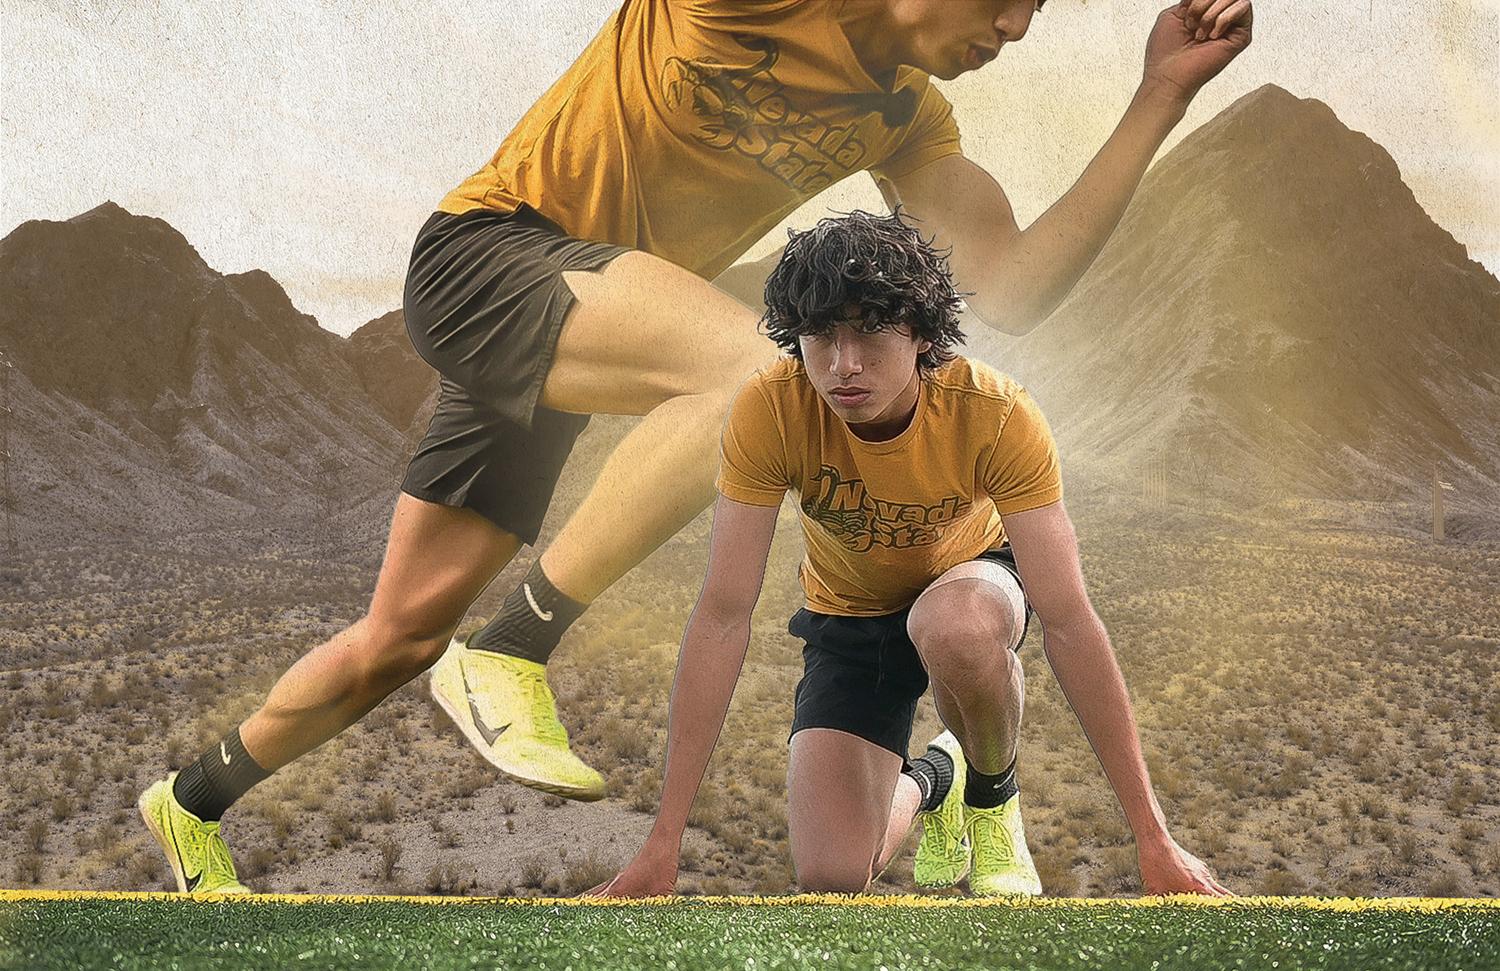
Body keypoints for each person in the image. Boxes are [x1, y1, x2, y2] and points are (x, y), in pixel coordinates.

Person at [138, 0, 1251, 894]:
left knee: (395, 634)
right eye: (1009, 0)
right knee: (752, 376)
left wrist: (1160, 94)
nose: (1015, 30)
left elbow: (1010, 285)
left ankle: (190, 801)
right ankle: (514, 648)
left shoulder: (905, 118)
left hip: (591, 320)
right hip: (494, 255)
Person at [594, 210, 1229, 897]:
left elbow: (1071, 619)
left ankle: (992, 795)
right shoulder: (769, 410)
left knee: (949, 625)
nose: (844, 364)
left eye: (869, 330)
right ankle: (938, 777)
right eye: (821, 336)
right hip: (850, 614)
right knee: (832, 875)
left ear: (922, 332)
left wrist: (1152, 837)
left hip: (971, 582)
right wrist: (662, 843)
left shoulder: (996, 413)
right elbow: (722, 613)